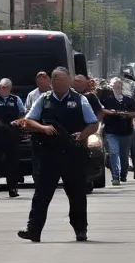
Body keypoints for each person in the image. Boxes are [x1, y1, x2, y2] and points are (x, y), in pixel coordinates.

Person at [18, 67, 100, 242]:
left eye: (60, 79)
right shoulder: (44, 99)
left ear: (68, 81)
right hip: (49, 154)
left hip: (73, 153)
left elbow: (93, 123)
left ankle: (80, 229)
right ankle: (33, 230)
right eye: (54, 79)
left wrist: (82, 135)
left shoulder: (80, 100)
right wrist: (43, 128)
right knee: (42, 194)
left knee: (77, 194)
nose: (57, 82)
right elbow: (29, 120)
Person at [99, 77, 135, 184]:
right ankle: (115, 176)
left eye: (119, 86)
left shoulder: (128, 100)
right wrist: (111, 112)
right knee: (113, 152)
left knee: (124, 156)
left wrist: (126, 114)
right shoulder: (107, 99)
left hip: (126, 132)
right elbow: (101, 109)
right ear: (111, 87)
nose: (117, 88)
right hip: (111, 131)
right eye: (115, 86)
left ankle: (123, 174)